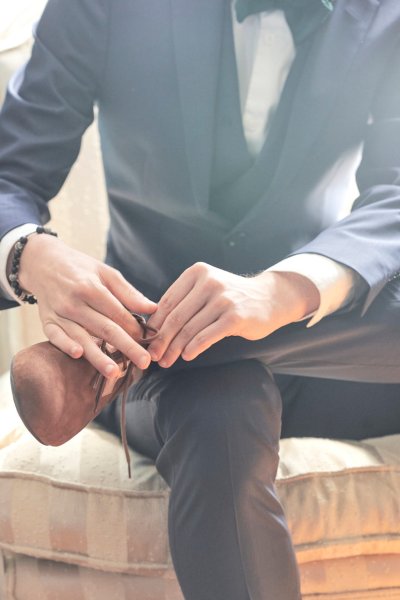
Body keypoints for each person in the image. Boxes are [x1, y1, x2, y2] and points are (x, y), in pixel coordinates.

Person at [1, 0, 400, 598]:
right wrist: (27, 254)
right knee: (220, 409)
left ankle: (133, 345)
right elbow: (11, 174)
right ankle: (153, 342)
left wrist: (283, 290)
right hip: (166, 381)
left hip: (330, 353)